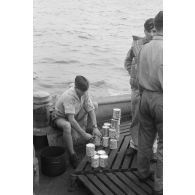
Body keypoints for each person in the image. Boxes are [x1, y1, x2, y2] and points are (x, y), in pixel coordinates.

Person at [137, 11, 163, 195]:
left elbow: (137, 75)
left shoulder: (144, 47)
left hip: (144, 96)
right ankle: (160, 185)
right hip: (162, 99)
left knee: (145, 138)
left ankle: (142, 172)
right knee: (164, 144)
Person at [51, 75, 101, 168]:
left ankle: (91, 135)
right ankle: (72, 155)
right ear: (76, 87)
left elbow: (90, 109)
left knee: (94, 105)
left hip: (74, 114)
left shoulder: (84, 92)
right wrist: (82, 134)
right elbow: (70, 120)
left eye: (85, 91)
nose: (84, 93)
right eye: (82, 91)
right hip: (60, 117)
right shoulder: (69, 96)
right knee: (67, 126)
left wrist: (95, 127)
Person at [124, 18, 156, 154]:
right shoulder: (136, 44)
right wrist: (132, 73)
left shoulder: (159, 45)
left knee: (152, 120)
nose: (154, 34)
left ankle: (152, 149)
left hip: (152, 89)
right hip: (137, 88)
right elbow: (127, 60)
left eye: (156, 31)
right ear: (145, 31)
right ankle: (134, 145)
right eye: (152, 31)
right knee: (136, 117)